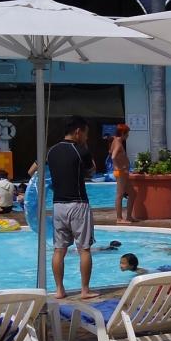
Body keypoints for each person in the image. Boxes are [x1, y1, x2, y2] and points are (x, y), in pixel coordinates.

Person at [47, 115, 96, 300]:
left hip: (58, 205)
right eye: (86, 134)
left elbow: (32, 171)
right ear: (77, 132)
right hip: (78, 204)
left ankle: (59, 290)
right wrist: (86, 149)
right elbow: (92, 171)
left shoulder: (51, 151)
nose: (86, 137)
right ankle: (85, 290)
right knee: (84, 249)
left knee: (59, 250)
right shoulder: (81, 151)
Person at [109, 123, 136, 225]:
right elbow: (113, 156)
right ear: (123, 133)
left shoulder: (116, 141)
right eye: (127, 133)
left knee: (132, 193)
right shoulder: (118, 143)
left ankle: (129, 217)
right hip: (121, 172)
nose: (128, 136)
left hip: (122, 172)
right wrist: (118, 167)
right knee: (119, 195)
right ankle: (119, 218)